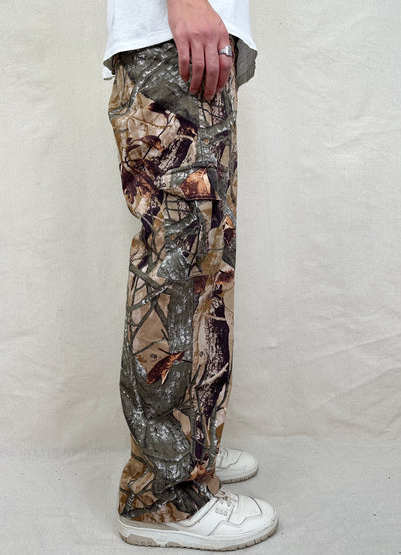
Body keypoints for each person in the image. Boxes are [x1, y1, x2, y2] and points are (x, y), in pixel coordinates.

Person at [103, 0, 279, 550]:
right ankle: (162, 494)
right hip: (173, 41)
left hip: (195, 46)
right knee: (177, 264)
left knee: (206, 265)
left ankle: (191, 447)